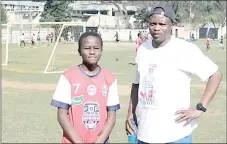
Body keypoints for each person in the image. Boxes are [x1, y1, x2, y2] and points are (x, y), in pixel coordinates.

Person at [125, 3, 222, 144]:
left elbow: (215, 74)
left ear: (171, 25)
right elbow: (136, 85)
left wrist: (200, 108)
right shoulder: (143, 50)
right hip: (144, 133)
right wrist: (130, 113)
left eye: (162, 24)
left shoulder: (186, 49)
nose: (156, 28)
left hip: (175, 135)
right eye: (153, 23)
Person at [51, 32, 120, 143]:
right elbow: (62, 115)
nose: (92, 52)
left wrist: (100, 141)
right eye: (87, 48)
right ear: (79, 51)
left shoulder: (110, 78)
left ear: (101, 50)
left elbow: (112, 117)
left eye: (96, 48)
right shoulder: (67, 77)